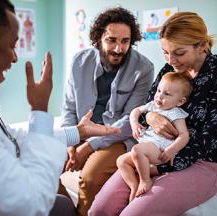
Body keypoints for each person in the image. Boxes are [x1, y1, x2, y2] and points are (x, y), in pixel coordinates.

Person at [0, 0, 121, 215]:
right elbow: (31, 205)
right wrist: (40, 109)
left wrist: (78, 132)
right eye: (12, 45)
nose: (15, 57)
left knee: (62, 203)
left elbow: (8, 137)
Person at [89, 11, 217, 216]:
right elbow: (148, 108)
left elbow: (213, 135)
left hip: (199, 162)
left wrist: (158, 168)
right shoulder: (169, 69)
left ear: (202, 45)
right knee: (100, 210)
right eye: (165, 52)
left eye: (179, 53)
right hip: (152, 152)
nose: (171, 60)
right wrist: (150, 117)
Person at [59, 7, 154, 215]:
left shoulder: (144, 69)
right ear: (99, 37)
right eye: (112, 40)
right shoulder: (79, 61)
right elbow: (68, 106)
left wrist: (89, 146)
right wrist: (70, 140)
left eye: (125, 41)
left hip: (118, 138)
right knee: (46, 165)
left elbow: (131, 119)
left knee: (90, 178)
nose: (119, 48)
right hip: (82, 131)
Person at [116, 72, 192, 202]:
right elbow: (136, 111)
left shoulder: (176, 113)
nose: (159, 96)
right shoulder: (153, 105)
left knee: (136, 150)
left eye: (167, 94)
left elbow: (184, 135)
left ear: (180, 101)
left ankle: (145, 180)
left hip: (160, 150)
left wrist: (172, 150)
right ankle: (133, 186)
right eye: (158, 90)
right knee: (121, 161)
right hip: (147, 148)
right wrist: (134, 123)